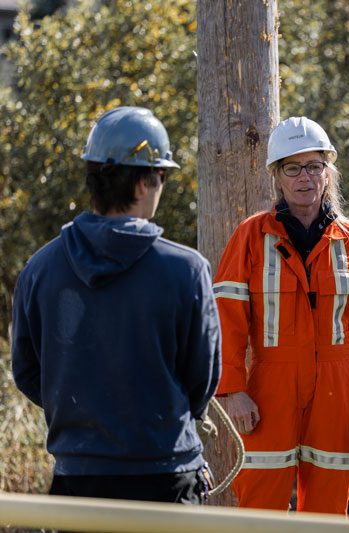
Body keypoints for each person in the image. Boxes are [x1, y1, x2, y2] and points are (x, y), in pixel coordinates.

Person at [11, 106, 222, 504]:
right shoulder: (187, 270)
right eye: (161, 177)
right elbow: (202, 378)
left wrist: (86, 409)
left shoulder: (39, 269)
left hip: (79, 481)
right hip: (166, 478)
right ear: (144, 184)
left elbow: (27, 371)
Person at [212, 116, 349, 514]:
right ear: (277, 175)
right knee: (261, 505)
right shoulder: (251, 236)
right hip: (269, 387)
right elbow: (227, 318)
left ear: (328, 172)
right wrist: (232, 388)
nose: (304, 177)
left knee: (327, 509)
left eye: (314, 166)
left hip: (337, 388)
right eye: (293, 167)